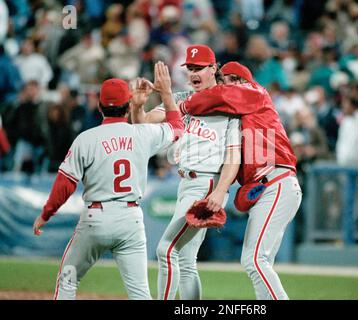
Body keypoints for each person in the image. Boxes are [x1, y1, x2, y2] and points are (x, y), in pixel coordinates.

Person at [32, 66, 184, 300]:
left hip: (96, 219)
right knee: (140, 293)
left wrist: (46, 214)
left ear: (100, 106)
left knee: (68, 282)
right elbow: (177, 128)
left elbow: (65, 184)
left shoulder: (86, 139)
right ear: (128, 103)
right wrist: (165, 94)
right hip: (130, 220)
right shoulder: (144, 134)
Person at [180, 61, 302, 300]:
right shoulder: (241, 115)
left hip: (277, 181)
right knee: (259, 262)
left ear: (238, 80)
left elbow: (220, 94)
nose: (223, 86)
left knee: (254, 259)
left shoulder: (255, 93)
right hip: (269, 186)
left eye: (225, 79)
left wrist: (184, 105)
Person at [131, 46, 242, 300]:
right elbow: (144, 124)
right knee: (186, 259)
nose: (194, 73)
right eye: (190, 68)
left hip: (207, 183)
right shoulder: (181, 98)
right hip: (186, 182)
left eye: (199, 67)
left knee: (165, 250)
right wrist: (137, 107)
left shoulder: (228, 104)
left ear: (214, 68)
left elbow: (233, 156)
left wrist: (221, 190)